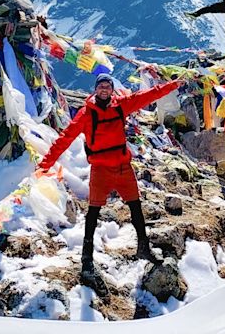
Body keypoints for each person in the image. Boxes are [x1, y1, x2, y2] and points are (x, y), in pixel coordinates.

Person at [38, 73, 180, 290]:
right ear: (95, 89)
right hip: (101, 170)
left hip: (123, 167)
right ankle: (87, 258)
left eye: (108, 86)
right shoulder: (86, 115)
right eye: (101, 86)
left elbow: (148, 96)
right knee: (93, 212)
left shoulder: (121, 106)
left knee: (136, 206)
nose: (104, 89)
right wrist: (45, 165)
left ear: (112, 89)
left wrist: (173, 85)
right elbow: (65, 138)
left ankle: (143, 246)